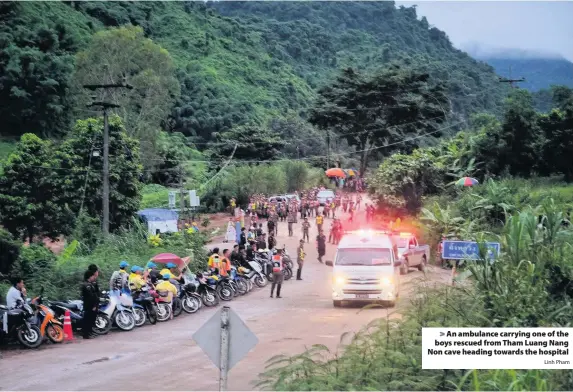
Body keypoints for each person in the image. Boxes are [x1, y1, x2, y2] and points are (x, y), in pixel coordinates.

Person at [80, 269, 100, 339]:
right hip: (89, 305)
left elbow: (96, 294)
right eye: (92, 276)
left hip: (93, 305)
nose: (93, 277)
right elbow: (91, 296)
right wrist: (93, 305)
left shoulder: (91, 284)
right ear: (89, 276)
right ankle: (86, 334)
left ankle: (90, 332)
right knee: (87, 320)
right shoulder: (86, 285)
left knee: (92, 319)